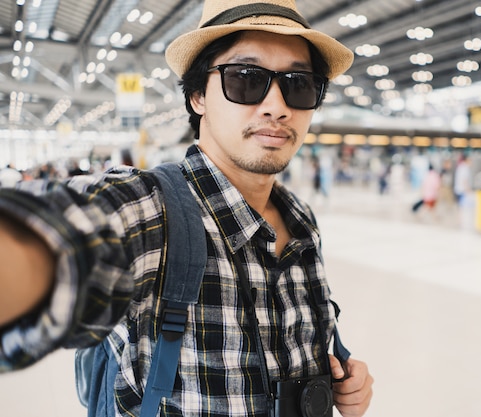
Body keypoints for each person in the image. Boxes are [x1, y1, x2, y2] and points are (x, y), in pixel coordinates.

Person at [0, 1, 373, 416]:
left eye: (298, 84)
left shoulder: (301, 221)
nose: (277, 106)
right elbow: (67, 236)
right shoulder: (155, 212)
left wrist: (340, 381)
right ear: (197, 95)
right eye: (246, 79)